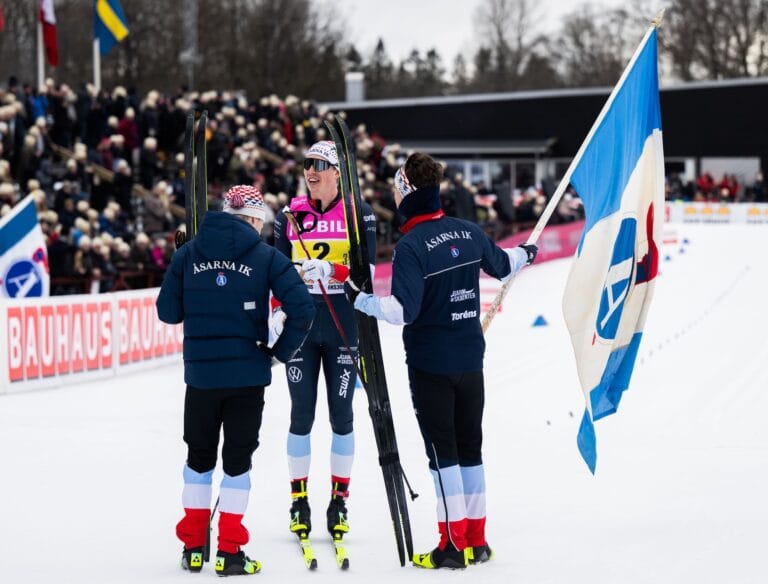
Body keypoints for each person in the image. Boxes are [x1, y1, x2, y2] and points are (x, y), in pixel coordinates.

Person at [344, 152, 537, 570]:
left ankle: (451, 547)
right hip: (471, 363)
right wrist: (527, 253)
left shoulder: (411, 246)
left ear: (409, 192)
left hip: (431, 366)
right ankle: (476, 541)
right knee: (471, 448)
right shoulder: (467, 232)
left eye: (397, 189)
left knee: (442, 454)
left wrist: (358, 299)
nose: (394, 196)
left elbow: (401, 311)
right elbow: (504, 265)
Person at [157, 185, 315, 576]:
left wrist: (181, 265)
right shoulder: (266, 256)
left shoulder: (189, 253)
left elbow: (168, 313)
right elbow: (303, 308)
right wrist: (280, 352)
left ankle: (193, 547)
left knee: (198, 461)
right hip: (248, 376)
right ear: (254, 219)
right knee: (237, 464)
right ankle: (229, 551)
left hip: (201, 377)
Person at [271, 140, 376, 543]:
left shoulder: (357, 213)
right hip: (303, 326)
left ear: (337, 172)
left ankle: (339, 500)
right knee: (301, 415)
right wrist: (279, 309)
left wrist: (333, 267)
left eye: (319, 165)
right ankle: (299, 500)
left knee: (342, 415)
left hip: (342, 326)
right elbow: (276, 268)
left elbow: (367, 272)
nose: (310, 172)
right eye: (306, 164)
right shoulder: (288, 214)